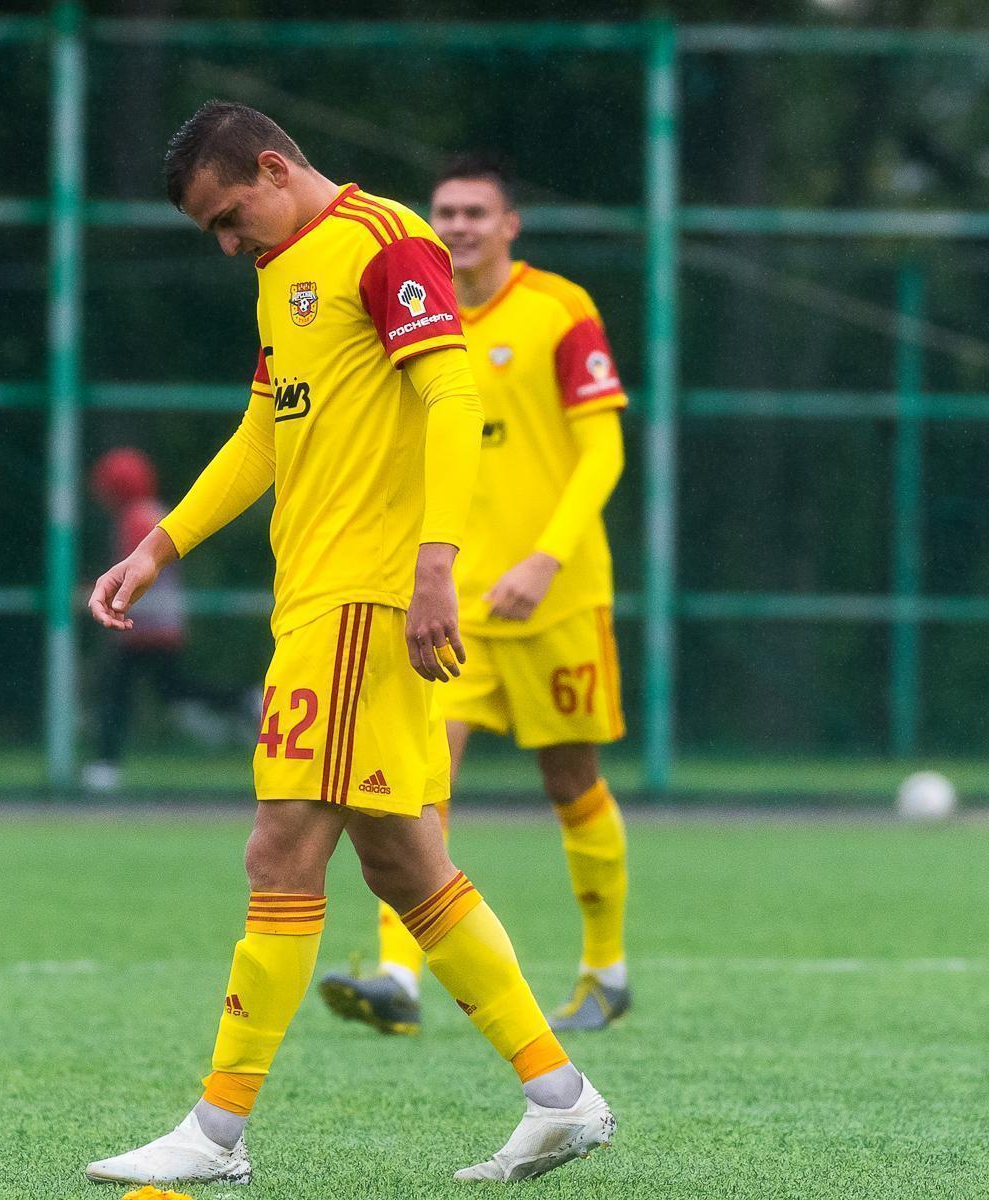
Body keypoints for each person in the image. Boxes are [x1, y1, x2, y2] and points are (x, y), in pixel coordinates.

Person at [82, 104, 614, 1187]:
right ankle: (560, 1097)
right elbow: (262, 436)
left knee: (280, 848)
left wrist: (434, 565)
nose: (227, 243)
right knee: (405, 863)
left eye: (229, 216)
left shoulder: (385, 241)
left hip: (363, 604)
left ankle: (215, 1132)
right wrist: (160, 547)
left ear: (274, 168)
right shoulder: (282, 271)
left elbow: (453, 395)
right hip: (319, 603)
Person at [318, 157, 633, 1037]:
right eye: (446, 213)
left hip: (557, 598)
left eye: (475, 212)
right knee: (418, 781)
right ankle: (398, 977)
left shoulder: (559, 309)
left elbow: (604, 450)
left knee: (571, 782)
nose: (457, 226)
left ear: (509, 224)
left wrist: (544, 560)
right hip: (449, 604)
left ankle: (605, 969)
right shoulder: (415, 312)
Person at [83, 447, 242, 791]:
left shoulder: (135, 517)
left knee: (120, 692)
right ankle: (241, 701)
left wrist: (99, 594)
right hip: (158, 622)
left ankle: (105, 767)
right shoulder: (154, 511)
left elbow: (132, 569)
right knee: (172, 690)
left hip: (143, 624)